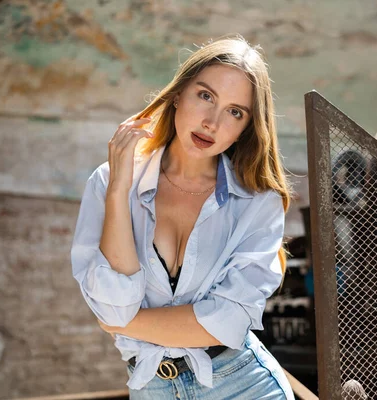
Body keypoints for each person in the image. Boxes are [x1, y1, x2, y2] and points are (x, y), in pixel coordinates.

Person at [71, 36, 294, 399]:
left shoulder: (257, 203)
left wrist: (123, 324)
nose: (212, 122)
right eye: (205, 96)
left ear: (245, 128)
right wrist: (118, 190)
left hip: (244, 385)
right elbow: (114, 302)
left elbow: (226, 323)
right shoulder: (111, 182)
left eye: (235, 112)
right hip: (152, 388)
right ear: (178, 94)